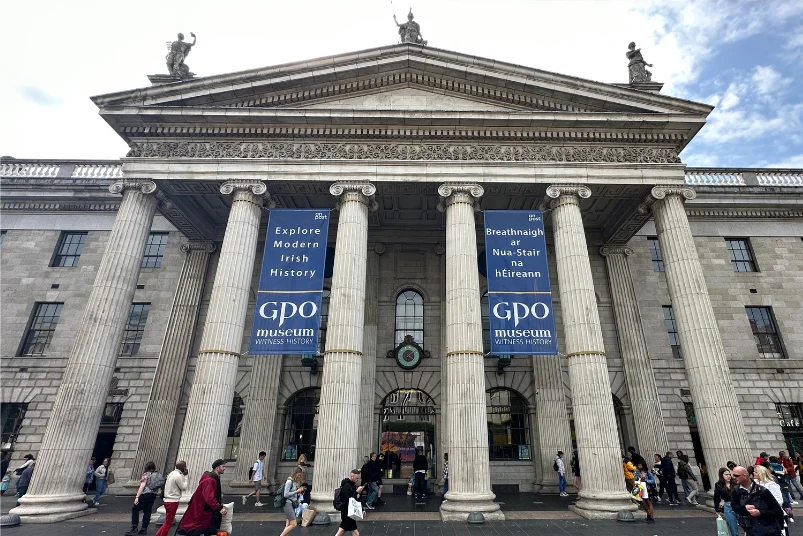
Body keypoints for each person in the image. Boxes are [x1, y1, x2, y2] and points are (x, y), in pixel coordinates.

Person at [177, 459, 228, 536]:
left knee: (204, 530)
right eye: (223, 466)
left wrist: (218, 502)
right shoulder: (209, 480)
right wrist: (219, 508)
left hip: (205, 510)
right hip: (202, 511)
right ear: (217, 468)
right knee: (197, 530)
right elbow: (209, 497)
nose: (224, 468)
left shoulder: (213, 478)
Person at [731, 465, 785, 536]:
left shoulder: (762, 490)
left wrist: (760, 513)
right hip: (750, 530)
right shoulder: (736, 490)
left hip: (768, 530)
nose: (734, 478)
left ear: (744, 476)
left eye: (736, 475)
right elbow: (734, 507)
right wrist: (744, 508)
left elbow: (777, 510)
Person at [754, 465, 793, 535]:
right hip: (763, 515)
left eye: (756, 472)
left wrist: (765, 506)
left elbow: (779, 500)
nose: (754, 473)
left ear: (761, 473)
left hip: (775, 514)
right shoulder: (755, 483)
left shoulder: (771, 485)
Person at [127, 461, 162, 535]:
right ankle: (144, 529)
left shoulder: (146, 475)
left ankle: (134, 527)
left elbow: (142, 486)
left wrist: (137, 497)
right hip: (153, 495)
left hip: (145, 494)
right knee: (147, 511)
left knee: (135, 509)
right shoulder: (157, 474)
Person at [155, 461, 189, 536]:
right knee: (168, 524)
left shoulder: (171, 474)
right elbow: (184, 487)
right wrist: (186, 477)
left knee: (167, 522)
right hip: (173, 501)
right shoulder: (178, 476)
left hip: (167, 500)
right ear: (183, 467)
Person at [335, 469, 365, 536]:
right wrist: (357, 491)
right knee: (351, 531)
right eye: (356, 478)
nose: (357, 480)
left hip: (350, 512)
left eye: (358, 478)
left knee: (343, 530)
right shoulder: (346, 486)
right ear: (352, 477)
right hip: (347, 512)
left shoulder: (352, 485)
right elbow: (350, 499)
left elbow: (356, 499)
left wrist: (362, 509)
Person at [279, 467, 306, 536]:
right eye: (299, 475)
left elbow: (292, 493)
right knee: (294, 524)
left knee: (288, 524)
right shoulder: (289, 482)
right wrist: (296, 491)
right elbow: (286, 494)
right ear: (295, 473)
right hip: (288, 504)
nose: (299, 477)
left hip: (291, 504)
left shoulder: (294, 482)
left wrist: (298, 492)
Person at [715, 467, 739, 536]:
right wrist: (717, 509)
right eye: (726, 474)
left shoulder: (735, 482)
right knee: (733, 529)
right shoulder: (718, 484)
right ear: (721, 475)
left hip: (738, 505)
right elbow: (716, 497)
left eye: (729, 474)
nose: (728, 476)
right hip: (728, 507)